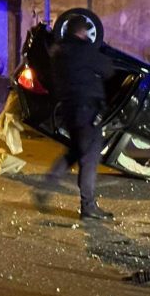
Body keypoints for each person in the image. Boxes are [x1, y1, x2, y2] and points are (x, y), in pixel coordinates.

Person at [36, 15, 115, 220]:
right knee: (89, 158)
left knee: (74, 152)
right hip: (88, 111)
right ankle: (88, 206)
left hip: (69, 111)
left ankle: (46, 186)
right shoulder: (84, 50)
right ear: (81, 32)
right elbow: (108, 70)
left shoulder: (58, 52)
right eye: (86, 31)